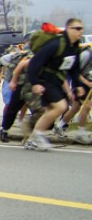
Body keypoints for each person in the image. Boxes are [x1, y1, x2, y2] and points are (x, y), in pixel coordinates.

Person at [27, 18, 84, 150]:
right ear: (68, 29)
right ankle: (36, 136)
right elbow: (34, 62)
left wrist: (78, 85)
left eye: (81, 28)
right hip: (45, 79)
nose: (80, 31)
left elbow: (75, 68)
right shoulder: (56, 44)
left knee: (50, 111)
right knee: (61, 106)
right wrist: (35, 83)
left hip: (57, 80)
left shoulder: (74, 47)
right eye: (77, 28)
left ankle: (33, 139)